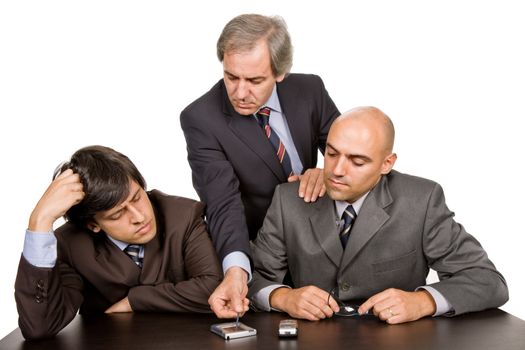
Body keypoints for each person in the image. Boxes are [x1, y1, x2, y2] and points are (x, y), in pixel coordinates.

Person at [248, 107, 508, 324]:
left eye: (357, 162)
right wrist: (282, 297)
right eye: (331, 153)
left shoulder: (421, 201)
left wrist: (422, 301)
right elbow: (250, 278)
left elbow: (487, 280)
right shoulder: (288, 200)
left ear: (387, 164)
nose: (337, 170)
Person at [180, 13, 340, 318]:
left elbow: (348, 150)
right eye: (231, 77)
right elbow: (222, 203)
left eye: (254, 80)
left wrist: (327, 173)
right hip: (263, 256)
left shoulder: (310, 90)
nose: (240, 93)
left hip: (323, 240)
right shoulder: (200, 119)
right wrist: (237, 270)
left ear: (280, 72)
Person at [14, 146, 222, 340]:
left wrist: (136, 301)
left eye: (137, 197)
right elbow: (39, 326)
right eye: (117, 214)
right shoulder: (70, 244)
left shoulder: (184, 214)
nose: (139, 217)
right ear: (93, 225)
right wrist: (39, 223)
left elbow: (214, 287)